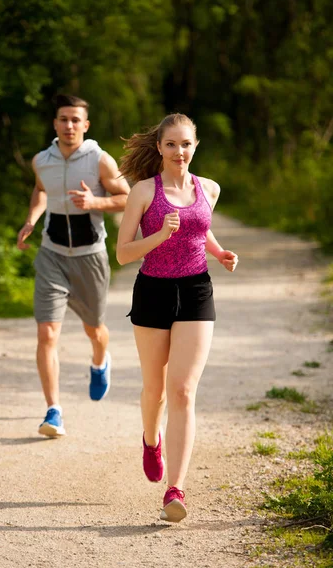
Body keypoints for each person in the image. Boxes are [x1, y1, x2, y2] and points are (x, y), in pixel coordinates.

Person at [116, 113, 238, 522]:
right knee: (156, 389)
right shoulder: (142, 192)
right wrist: (159, 236)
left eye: (186, 144)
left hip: (196, 291)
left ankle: (176, 489)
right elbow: (123, 253)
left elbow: (199, 229)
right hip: (152, 291)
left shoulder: (209, 189)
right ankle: (152, 440)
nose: (179, 151)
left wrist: (219, 252)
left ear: (195, 146)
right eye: (171, 144)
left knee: (183, 390)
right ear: (159, 148)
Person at [17, 94, 130, 437]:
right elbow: (40, 190)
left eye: (75, 120)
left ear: (86, 125)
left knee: (94, 329)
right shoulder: (42, 160)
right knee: (47, 332)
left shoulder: (99, 160)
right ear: (55, 124)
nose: (69, 126)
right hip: (51, 255)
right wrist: (32, 219)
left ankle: (100, 361)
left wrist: (93, 201)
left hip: (89, 257)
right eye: (63, 119)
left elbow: (127, 196)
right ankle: (53, 411)